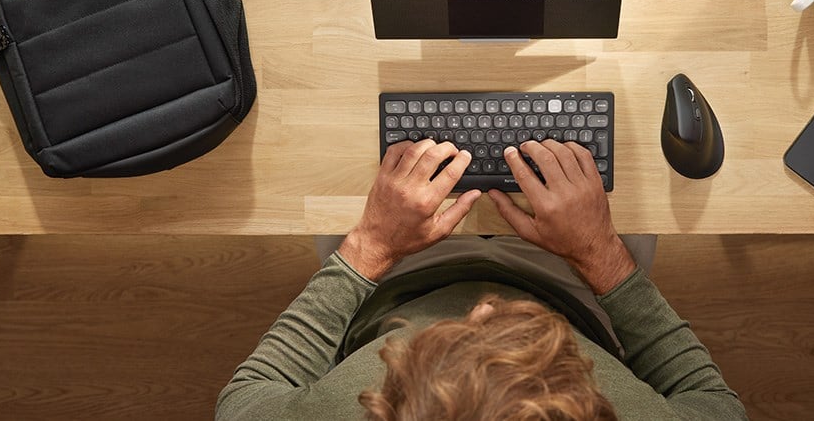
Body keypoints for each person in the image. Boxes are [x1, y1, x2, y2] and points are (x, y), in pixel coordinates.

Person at [217, 139, 747, 420]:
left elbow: (244, 396)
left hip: (393, 273)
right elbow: (709, 397)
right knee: (635, 180)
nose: (487, 310)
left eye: (447, 344)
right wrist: (598, 252)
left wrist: (371, 246)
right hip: (575, 279)